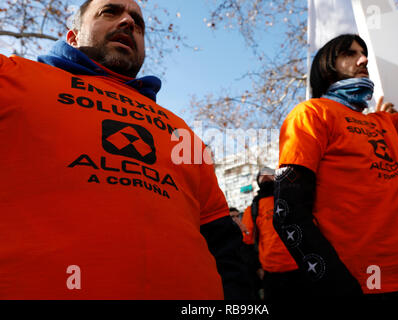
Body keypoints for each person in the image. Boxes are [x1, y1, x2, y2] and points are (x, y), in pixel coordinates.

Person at [0, 0, 249, 299]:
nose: (129, 22)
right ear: (73, 36)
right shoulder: (11, 77)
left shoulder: (181, 129)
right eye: (110, 11)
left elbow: (221, 239)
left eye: (138, 23)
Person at [273, 3, 398, 297]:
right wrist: (333, 283)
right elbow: (288, 210)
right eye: (350, 53)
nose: (363, 59)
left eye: (363, 52)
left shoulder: (386, 123)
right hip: (362, 286)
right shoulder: (311, 114)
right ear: (326, 66)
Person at [241, 167, 299, 300]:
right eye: (262, 175)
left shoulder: (291, 199)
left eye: (270, 174)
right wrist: (257, 268)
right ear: (258, 181)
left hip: (299, 268)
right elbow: (246, 243)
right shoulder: (252, 210)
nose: (266, 176)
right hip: (271, 273)